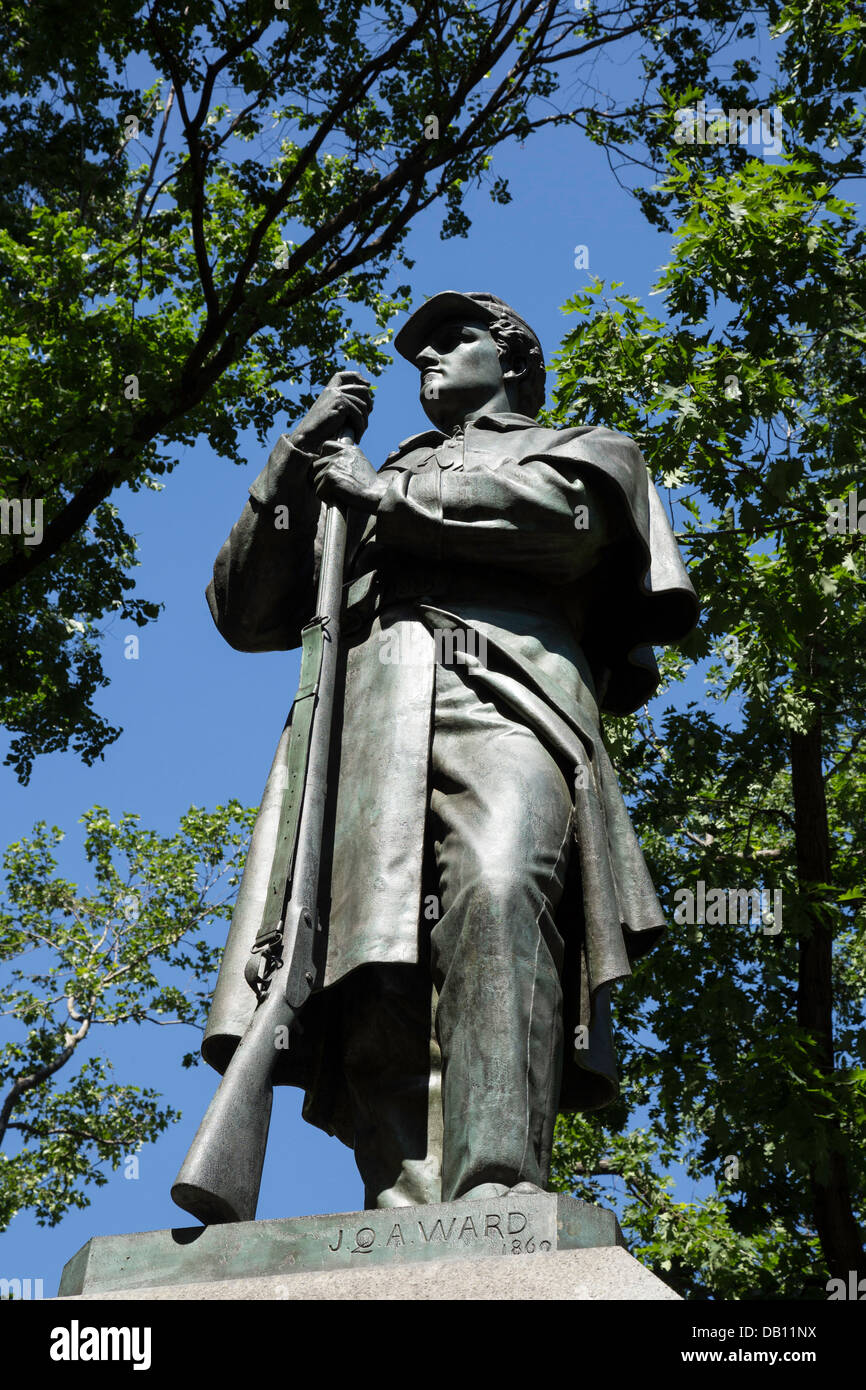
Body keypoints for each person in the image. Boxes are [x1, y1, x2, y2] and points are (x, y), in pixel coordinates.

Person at [200, 291, 698, 1209]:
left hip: (507, 699)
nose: (426, 356)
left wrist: (388, 496)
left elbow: (566, 522)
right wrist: (293, 459)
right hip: (368, 722)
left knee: (501, 891)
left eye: (451, 338)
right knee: (371, 961)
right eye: (417, 347)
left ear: (511, 359)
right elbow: (242, 609)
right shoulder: (348, 474)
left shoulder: (583, 446)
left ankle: (497, 1187)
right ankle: (404, 1212)